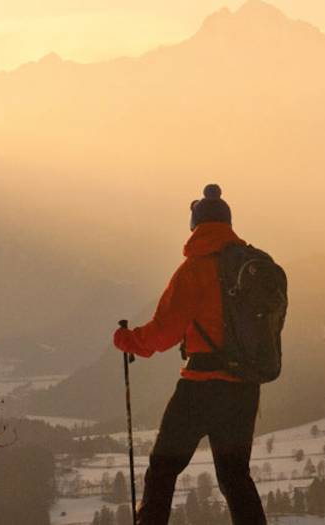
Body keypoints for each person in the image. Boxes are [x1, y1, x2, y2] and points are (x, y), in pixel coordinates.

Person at [113, 184, 266, 525]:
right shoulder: (250, 271)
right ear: (228, 223)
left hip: (200, 388)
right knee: (235, 478)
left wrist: (127, 340)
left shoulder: (194, 271)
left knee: (163, 469)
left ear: (195, 225)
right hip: (244, 388)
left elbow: (162, 335)